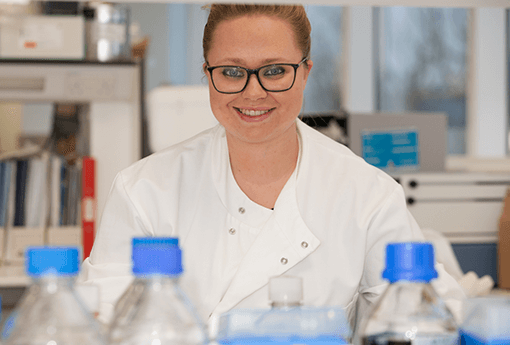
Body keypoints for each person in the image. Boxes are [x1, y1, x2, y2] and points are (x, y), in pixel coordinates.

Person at [78, 3, 465, 333]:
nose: (254, 92)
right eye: (231, 72)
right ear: (207, 74)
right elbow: (103, 325)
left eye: (275, 71)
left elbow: (428, 320)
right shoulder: (145, 191)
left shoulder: (368, 196)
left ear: (305, 72)